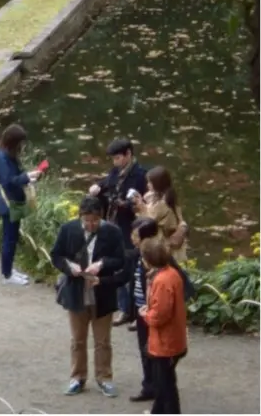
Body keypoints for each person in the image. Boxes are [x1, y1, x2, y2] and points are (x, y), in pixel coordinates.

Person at [49, 195, 127, 397]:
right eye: (87, 221)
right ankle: (77, 377)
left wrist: (101, 264)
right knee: (78, 340)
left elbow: (120, 260)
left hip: (102, 291)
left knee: (103, 341)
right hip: (76, 291)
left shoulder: (113, 231)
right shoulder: (68, 229)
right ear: (80, 217)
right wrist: (69, 267)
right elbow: (56, 255)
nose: (91, 225)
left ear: (101, 217)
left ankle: (105, 378)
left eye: (94, 221)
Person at [91, 138, 149, 324]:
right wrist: (98, 186)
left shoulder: (141, 175)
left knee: (134, 271)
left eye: (117, 158)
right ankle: (124, 309)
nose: (115, 162)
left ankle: (136, 312)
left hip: (129, 228)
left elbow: (144, 205)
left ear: (128, 155)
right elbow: (107, 182)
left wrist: (128, 204)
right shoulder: (116, 171)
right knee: (117, 268)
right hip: (113, 225)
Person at [139, 236, 187, 414]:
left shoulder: (162, 280)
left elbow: (160, 316)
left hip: (165, 343)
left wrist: (146, 314)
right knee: (163, 383)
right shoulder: (172, 274)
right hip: (174, 339)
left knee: (167, 388)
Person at [0, 124, 44, 285]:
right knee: (9, 238)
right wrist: (27, 177)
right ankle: (7, 274)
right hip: (8, 202)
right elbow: (8, 181)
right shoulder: (2, 158)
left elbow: (15, 176)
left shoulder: (7, 155)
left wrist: (29, 177)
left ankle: (8, 270)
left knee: (12, 237)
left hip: (13, 200)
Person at [125, 218, 161, 405]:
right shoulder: (137, 256)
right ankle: (149, 385)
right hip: (141, 312)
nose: (132, 237)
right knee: (144, 349)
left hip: (154, 314)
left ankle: (158, 387)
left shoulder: (159, 260)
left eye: (135, 235)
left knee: (156, 352)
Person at [136, 166, 189, 264]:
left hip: (165, 242)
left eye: (150, 182)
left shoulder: (162, 204)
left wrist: (141, 207)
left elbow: (149, 220)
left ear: (157, 184)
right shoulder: (170, 197)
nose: (148, 185)